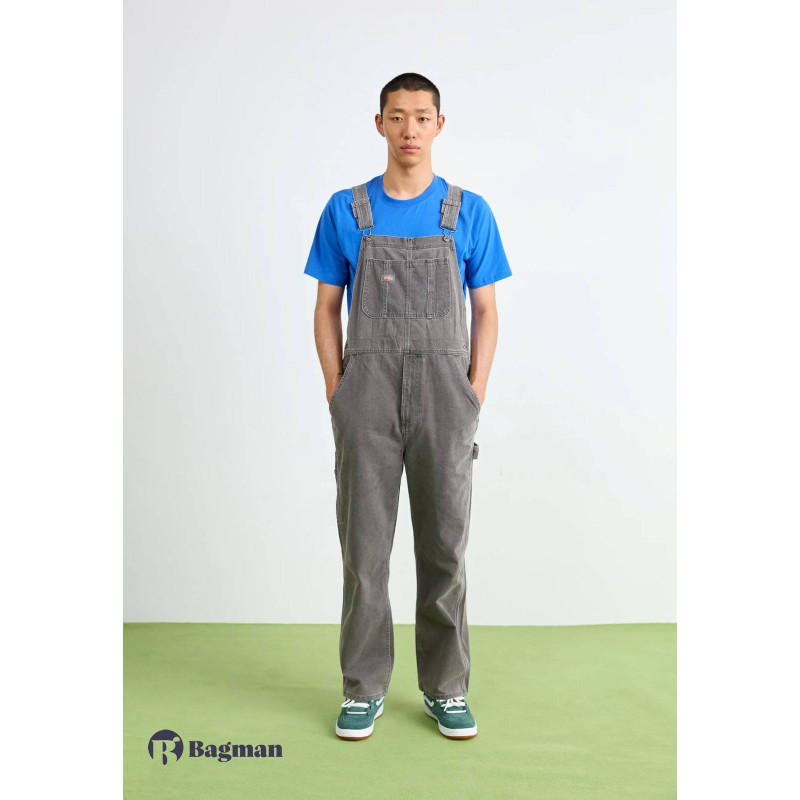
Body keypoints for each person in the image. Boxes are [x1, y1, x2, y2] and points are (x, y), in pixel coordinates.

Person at [303, 73, 512, 741]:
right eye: (397, 116)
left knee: (445, 547)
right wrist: (337, 388)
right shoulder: (346, 210)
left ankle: (446, 688)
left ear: (439, 125)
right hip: (365, 397)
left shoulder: (468, 212)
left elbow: (486, 311)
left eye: (422, 116)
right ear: (380, 124)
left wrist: (473, 390)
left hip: (447, 399)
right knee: (365, 551)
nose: (410, 129)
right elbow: (327, 307)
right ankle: (363, 688)